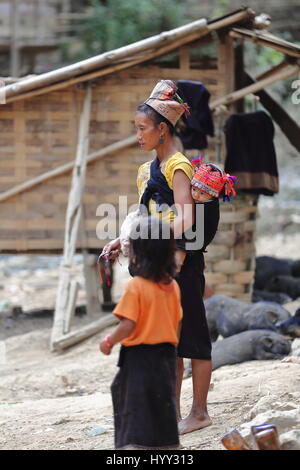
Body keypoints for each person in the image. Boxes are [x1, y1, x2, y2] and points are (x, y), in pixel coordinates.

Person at [100, 79, 224, 435]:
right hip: (156, 263)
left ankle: (199, 412)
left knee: (193, 337)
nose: (138, 136)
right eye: (136, 129)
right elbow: (146, 214)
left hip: (182, 261)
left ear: (162, 129)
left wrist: (157, 239)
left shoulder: (178, 166)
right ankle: (169, 412)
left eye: (142, 129)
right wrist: (121, 240)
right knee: (170, 340)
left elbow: (185, 218)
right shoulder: (145, 172)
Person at [100, 217, 183, 450]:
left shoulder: (135, 287)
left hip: (139, 356)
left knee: (132, 402)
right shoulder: (173, 286)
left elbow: (128, 325)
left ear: (136, 254)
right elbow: (177, 321)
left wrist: (108, 341)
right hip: (166, 354)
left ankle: (134, 446)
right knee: (161, 402)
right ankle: (167, 446)